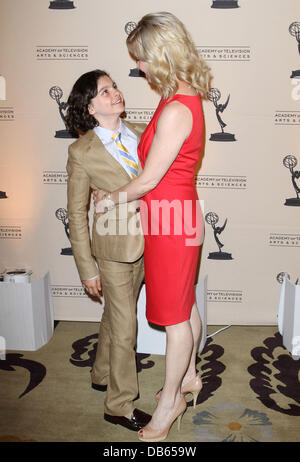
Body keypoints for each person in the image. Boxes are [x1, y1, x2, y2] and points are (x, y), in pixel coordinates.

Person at [93, 12, 211, 442]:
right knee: (185, 305)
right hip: (172, 214)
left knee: (175, 317)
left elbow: (147, 180)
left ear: (159, 54)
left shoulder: (177, 107)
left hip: (172, 219)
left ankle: (169, 403)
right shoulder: (177, 94)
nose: (137, 67)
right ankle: (190, 377)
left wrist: (109, 198)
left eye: (140, 59)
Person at [65, 69, 151, 431]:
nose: (115, 92)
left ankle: (101, 373)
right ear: (90, 107)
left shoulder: (144, 132)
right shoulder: (81, 152)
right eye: (104, 91)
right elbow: (76, 212)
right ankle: (118, 405)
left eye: (114, 86)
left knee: (117, 314)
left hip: (151, 241)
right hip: (113, 249)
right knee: (126, 325)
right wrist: (87, 269)